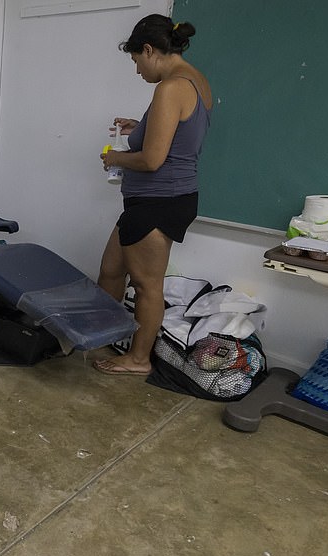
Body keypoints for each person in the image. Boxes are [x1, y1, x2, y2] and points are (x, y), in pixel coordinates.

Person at [93, 14, 212, 376]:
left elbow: (152, 159)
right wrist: (139, 125)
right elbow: (176, 133)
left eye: (136, 61)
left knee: (147, 285)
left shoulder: (171, 87)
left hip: (159, 201)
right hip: (158, 200)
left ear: (149, 50)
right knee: (111, 271)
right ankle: (102, 335)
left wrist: (114, 158)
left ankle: (139, 359)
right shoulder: (194, 80)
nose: (137, 70)